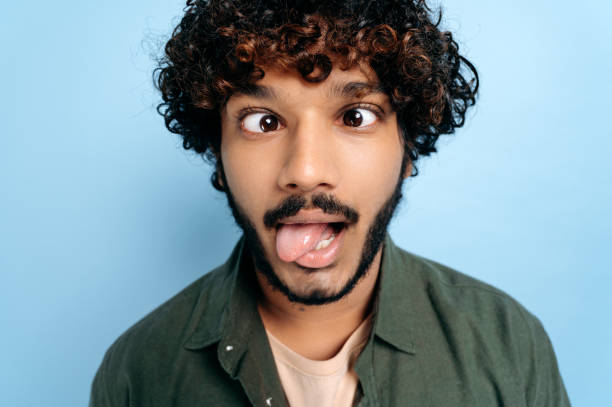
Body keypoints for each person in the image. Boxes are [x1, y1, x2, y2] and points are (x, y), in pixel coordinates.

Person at [90, 0, 570, 405]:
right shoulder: (138, 371)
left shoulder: (509, 345)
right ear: (218, 152)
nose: (305, 170)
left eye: (356, 116)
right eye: (262, 122)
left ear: (408, 147)